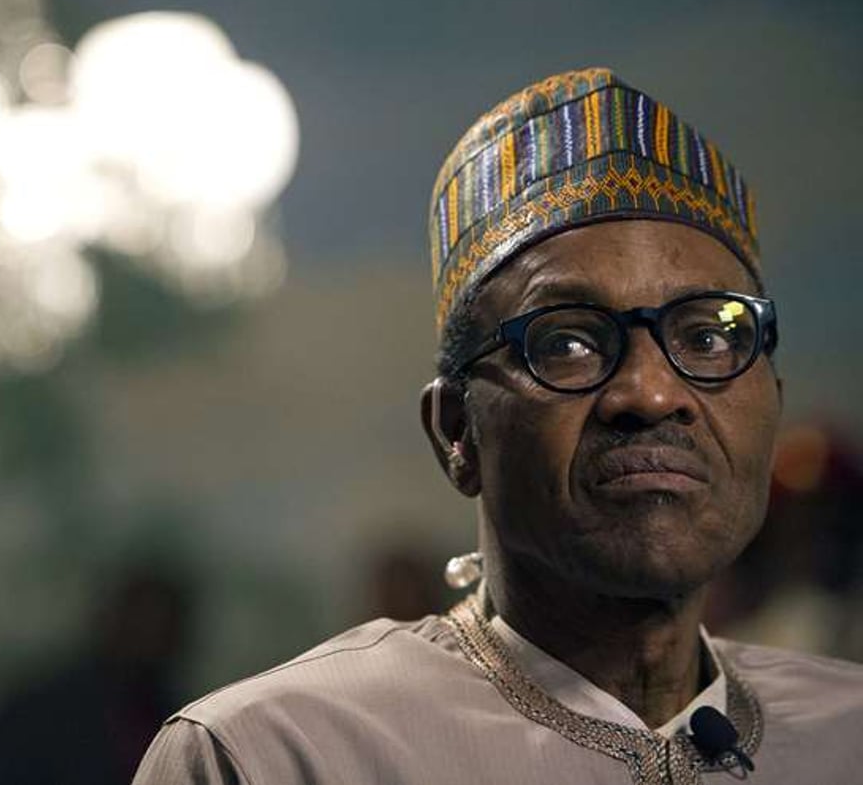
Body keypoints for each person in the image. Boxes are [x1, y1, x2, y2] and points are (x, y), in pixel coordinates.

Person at [131, 68, 863, 784]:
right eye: (567, 342)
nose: (648, 391)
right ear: (456, 432)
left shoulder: (845, 733)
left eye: (706, 337)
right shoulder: (276, 754)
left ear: (771, 397)